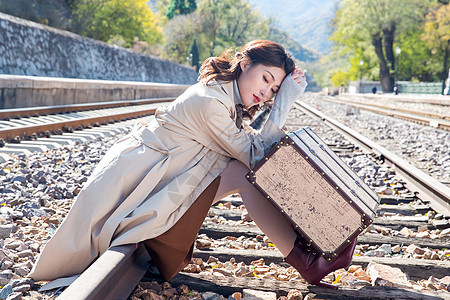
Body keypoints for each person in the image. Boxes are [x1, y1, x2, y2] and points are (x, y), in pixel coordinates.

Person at [28, 40, 347, 289]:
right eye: (266, 79)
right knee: (248, 174)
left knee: (254, 168)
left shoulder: (226, 96)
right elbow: (256, 157)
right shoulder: (212, 103)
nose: (265, 93)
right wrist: (285, 103)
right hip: (146, 186)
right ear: (245, 62)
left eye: (275, 91)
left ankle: (316, 247)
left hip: (164, 177)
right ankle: (309, 260)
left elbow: (259, 147)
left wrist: (280, 103)